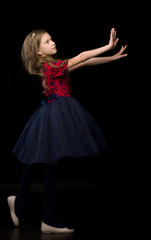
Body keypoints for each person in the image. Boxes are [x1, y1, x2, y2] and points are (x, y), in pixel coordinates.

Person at [7, 28, 127, 234]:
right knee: (46, 162)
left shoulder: (55, 65)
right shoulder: (50, 67)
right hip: (53, 115)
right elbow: (81, 57)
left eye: (51, 39)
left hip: (56, 113)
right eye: (47, 41)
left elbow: (85, 62)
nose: (53, 42)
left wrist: (111, 57)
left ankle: (22, 202)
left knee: (42, 161)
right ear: (38, 52)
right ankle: (46, 218)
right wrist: (107, 46)